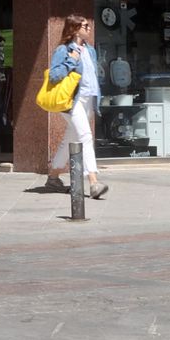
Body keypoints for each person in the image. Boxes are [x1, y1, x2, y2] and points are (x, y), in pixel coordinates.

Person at [45, 14, 108, 200]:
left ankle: (53, 178)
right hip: (72, 101)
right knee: (86, 137)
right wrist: (71, 60)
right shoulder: (63, 50)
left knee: (70, 139)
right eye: (85, 26)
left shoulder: (90, 50)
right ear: (74, 29)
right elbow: (54, 75)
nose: (89, 29)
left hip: (88, 99)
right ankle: (94, 183)